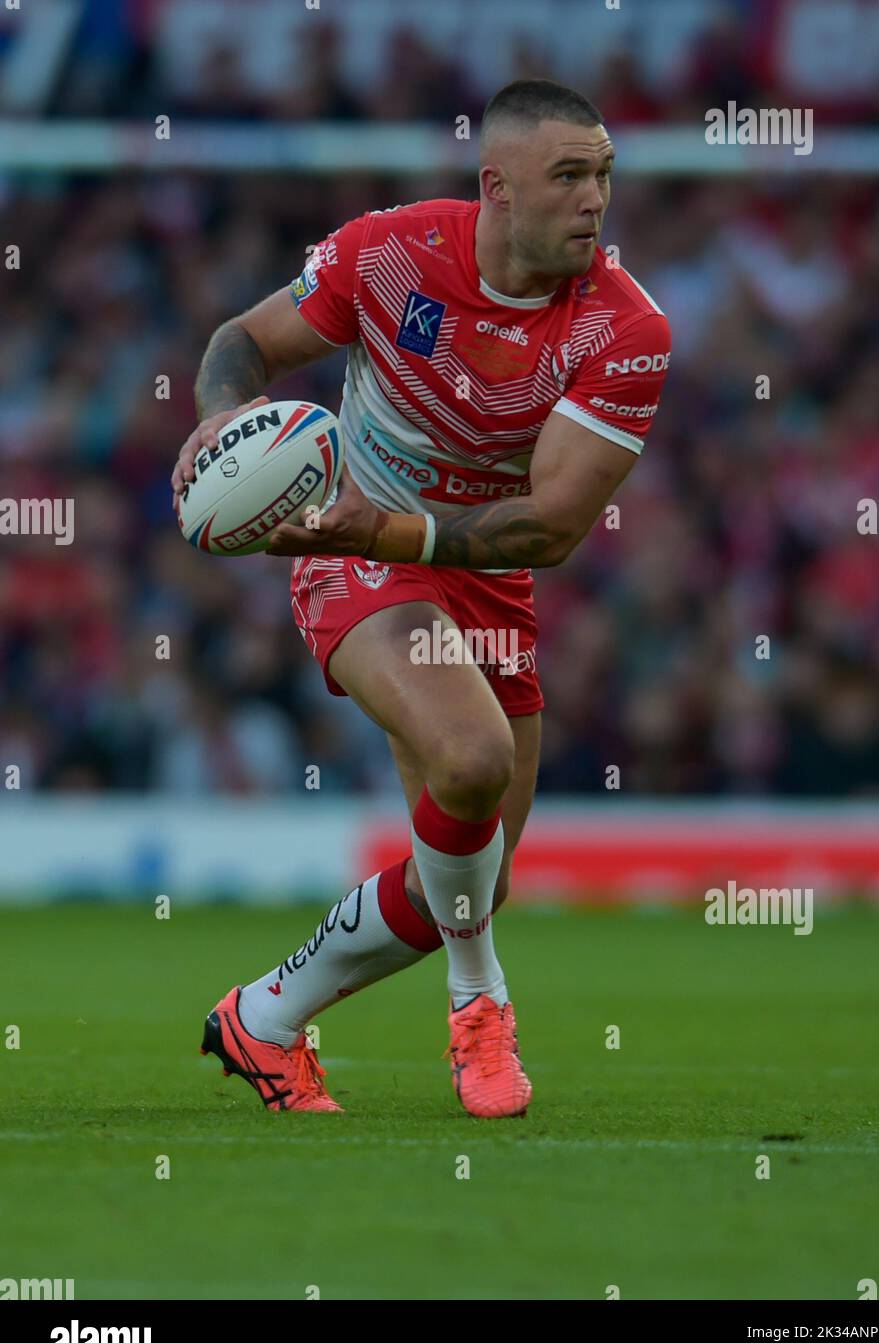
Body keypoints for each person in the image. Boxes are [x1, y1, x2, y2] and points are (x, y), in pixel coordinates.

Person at [172, 78, 671, 1118]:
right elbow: (242, 343)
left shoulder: (624, 330)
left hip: (477, 565)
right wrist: (222, 417)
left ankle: (261, 1017)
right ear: (496, 186)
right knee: (474, 759)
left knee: (471, 879)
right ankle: (479, 1005)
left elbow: (553, 525)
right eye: (569, 176)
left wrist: (394, 529)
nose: (594, 200)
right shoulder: (389, 254)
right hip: (357, 554)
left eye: (604, 177)